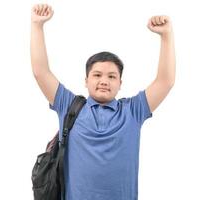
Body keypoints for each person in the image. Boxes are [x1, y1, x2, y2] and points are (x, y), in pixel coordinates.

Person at [30, 3, 175, 200]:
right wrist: (37, 25)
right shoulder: (68, 105)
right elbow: (41, 72)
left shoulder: (133, 111)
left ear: (120, 83)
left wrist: (166, 35)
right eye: (97, 75)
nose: (104, 81)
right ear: (86, 80)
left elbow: (165, 81)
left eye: (112, 76)